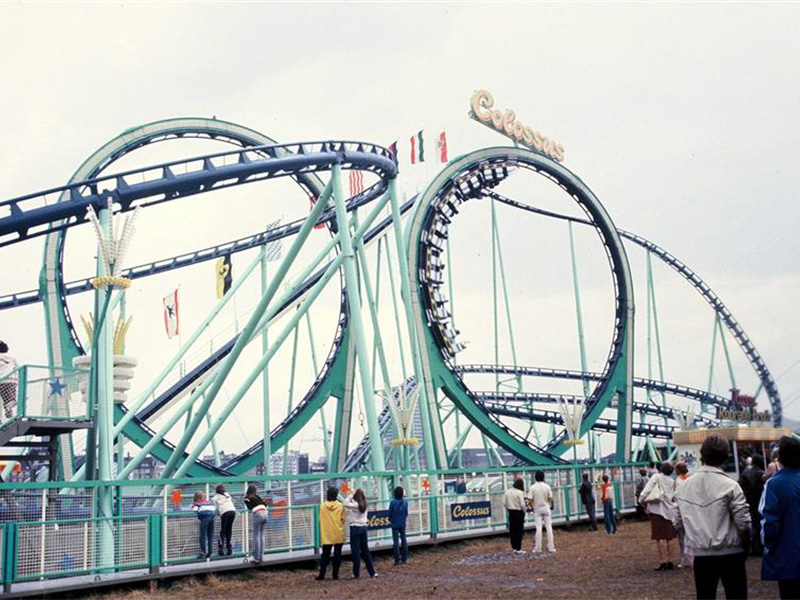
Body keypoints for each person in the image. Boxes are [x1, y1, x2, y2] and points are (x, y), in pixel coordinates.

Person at [673, 434, 750, 599]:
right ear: (725, 456)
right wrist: (746, 545)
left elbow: (677, 522)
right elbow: (743, 523)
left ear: (702, 455)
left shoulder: (683, 487)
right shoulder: (731, 485)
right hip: (731, 552)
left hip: (701, 554)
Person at [760, 436, 800, 599]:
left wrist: (769, 546)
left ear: (780, 458)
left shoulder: (774, 484)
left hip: (788, 555)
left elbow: (769, 523)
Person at [640, 461, 678, 571]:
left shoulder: (656, 477)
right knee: (670, 536)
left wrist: (641, 500)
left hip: (657, 510)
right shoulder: (672, 481)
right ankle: (670, 560)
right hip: (670, 510)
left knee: (660, 537)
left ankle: (663, 561)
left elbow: (646, 490)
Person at [344, 488, 376, 578]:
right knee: (365, 550)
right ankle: (372, 572)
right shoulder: (365, 504)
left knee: (355, 551)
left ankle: (356, 573)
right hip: (363, 528)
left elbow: (345, 503)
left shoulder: (355, 505)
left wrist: (350, 495)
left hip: (355, 528)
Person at [738, 454, 765, 557]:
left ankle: (754, 547)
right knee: (759, 524)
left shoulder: (745, 472)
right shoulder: (761, 473)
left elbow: (740, 485)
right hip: (759, 501)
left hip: (749, 501)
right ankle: (760, 547)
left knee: (752, 525)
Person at [316, 486, 345, 580]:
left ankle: (322, 574)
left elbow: (320, 519)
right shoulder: (340, 506)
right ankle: (335, 575)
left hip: (326, 533)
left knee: (325, 555)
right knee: (337, 554)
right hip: (338, 532)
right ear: (336, 495)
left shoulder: (323, 506)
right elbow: (343, 519)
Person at [528, 470, 555, 554]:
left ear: (535, 477)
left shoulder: (532, 487)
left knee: (538, 528)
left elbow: (529, 499)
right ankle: (551, 547)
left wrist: (533, 507)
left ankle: (538, 548)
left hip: (537, 509)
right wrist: (549, 505)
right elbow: (550, 497)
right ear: (543, 477)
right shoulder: (547, 486)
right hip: (546, 507)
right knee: (549, 527)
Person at [675, 462, 693, 568]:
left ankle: (686, 559)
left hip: (682, 510)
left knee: (682, 536)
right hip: (692, 509)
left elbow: (677, 496)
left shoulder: (678, 481)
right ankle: (693, 557)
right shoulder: (690, 479)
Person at [244, 484, 268, 563]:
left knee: (256, 536)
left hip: (258, 514)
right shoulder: (258, 496)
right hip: (265, 513)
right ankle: (261, 557)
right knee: (262, 535)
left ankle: (256, 558)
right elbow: (265, 504)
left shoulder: (247, 498)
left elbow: (250, 507)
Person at [502, 477, 526, 554]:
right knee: (519, 530)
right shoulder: (520, 492)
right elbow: (522, 504)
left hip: (511, 512)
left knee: (512, 530)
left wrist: (508, 507)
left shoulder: (507, 492)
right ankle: (519, 548)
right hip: (518, 512)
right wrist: (524, 511)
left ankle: (514, 547)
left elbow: (504, 503)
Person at [213, 484, 236, 556]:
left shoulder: (215, 498)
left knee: (223, 530)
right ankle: (229, 548)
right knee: (229, 530)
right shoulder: (227, 494)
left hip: (224, 512)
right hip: (232, 511)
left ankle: (221, 548)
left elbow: (216, 507)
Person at [388, 486, 409, 565]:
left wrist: (390, 519)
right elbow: (406, 512)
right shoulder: (405, 502)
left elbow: (390, 513)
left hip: (395, 523)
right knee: (404, 540)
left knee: (396, 542)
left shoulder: (393, 502)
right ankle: (405, 558)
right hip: (402, 522)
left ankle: (397, 559)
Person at [192, 491, 216, 559]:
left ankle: (203, 552)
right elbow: (214, 509)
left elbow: (195, 510)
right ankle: (210, 552)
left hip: (205, 518)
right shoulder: (209, 502)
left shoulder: (197, 503)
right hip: (212, 517)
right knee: (210, 535)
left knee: (203, 535)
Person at [0, 341, 18, 419]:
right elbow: (16, 368)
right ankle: (9, 412)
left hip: (2, 380)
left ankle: (6, 413)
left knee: (3, 399)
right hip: (11, 380)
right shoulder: (12, 358)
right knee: (9, 399)